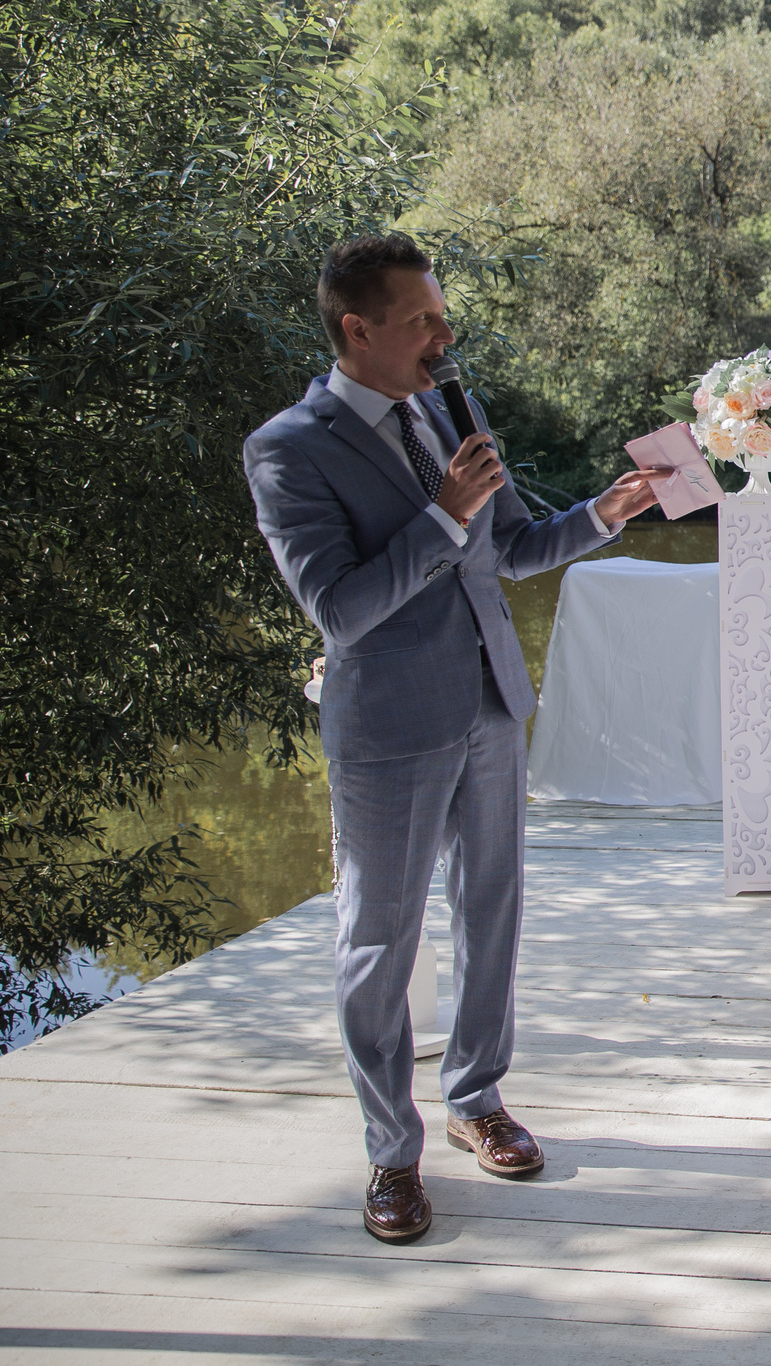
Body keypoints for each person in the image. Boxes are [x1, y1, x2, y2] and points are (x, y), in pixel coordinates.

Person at [243, 233, 666, 1244]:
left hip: (489, 709)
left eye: (441, 314)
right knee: (378, 942)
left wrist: (605, 512)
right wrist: (440, 519)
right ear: (359, 329)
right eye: (423, 319)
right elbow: (338, 609)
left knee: (492, 914)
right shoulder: (287, 448)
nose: (444, 334)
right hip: (389, 725)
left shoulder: (447, 409)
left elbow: (513, 549)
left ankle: (477, 1100)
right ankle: (393, 1155)